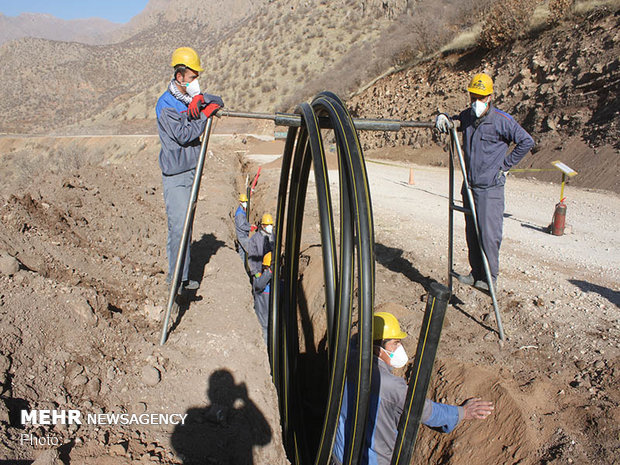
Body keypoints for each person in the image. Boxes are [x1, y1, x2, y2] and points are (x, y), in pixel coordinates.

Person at [332, 312, 493, 465]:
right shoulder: (390, 386)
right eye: (395, 343)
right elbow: (424, 410)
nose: (400, 347)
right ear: (377, 349)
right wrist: (462, 412)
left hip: (339, 455)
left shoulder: (345, 361)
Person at [436, 72, 535, 291]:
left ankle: (490, 279)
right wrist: (444, 117)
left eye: (481, 98)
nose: (476, 102)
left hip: (490, 188)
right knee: (472, 233)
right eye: (473, 97)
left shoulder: (502, 121)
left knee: (489, 235)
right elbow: (455, 121)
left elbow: (526, 141)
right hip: (469, 186)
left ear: (490, 97)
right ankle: (476, 274)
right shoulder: (469, 116)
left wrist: (505, 167)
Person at [156, 46, 224, 290]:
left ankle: (183, 277)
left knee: (187, 225)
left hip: (191, 170)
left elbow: (218, 101)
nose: (197, 81)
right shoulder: (166, 105)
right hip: (176, 174)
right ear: (180, 77)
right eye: (193, 77)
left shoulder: (188, 99)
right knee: (178, 227)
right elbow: (184, 135)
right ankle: (175, 281)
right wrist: (204, 115)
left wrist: (201, 100)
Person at [252, 252, 272, 345]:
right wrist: (269, 272)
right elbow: (259, 285)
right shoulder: (258, 281)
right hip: (263, 326)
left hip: (275, 325)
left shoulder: (279, 284)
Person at [234, 193, 252, 264]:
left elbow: (244, 222)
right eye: (244, 202)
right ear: (240, 202)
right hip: (242, 236)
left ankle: (243, 269)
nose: (245, 203)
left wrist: (250, 225)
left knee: (242, 254)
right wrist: (250, 228)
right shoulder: (240, 214)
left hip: (241, 235)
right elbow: (242, 226)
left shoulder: (241, 211)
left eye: (246, 202)